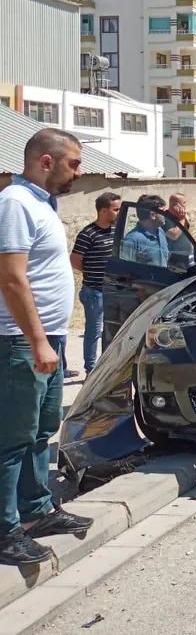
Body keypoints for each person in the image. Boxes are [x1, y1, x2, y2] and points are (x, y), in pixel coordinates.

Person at [0, 128, 93, 565]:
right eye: (73, 163)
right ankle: (5, 530)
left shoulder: (43, 204)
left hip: (48, 339)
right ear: (46, 161)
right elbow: (12, 278)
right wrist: (37, 340)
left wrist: (49, 340)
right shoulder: (15, 204)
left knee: (40, 432)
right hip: (20, 340)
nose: (79, 171)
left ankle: (36, 513)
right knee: (12, 438)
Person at [70, 191, 121, 373]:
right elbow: (75, 260)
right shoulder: (88, 234)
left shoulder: (117, 231)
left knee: (112, 332)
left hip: (113, 291)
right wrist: (92, 271)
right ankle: (91, 370)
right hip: (94, 292)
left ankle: (107, 368)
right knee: (93, 332)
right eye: (116, 209)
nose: (119, 212)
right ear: (103, 211)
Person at [120, 195, 169, 266]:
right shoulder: (131, 240)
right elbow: (125, 270)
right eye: (163, 212)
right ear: (153, 215)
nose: (166, 215)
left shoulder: (160, 232)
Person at [166, 193, 193, 269]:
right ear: (176, 205)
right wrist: (182, 220)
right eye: (184, 203)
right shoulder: (165, 218)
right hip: (174, 259)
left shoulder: (180, 217)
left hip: (186, 257)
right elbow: (173, 235)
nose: (186, 206)